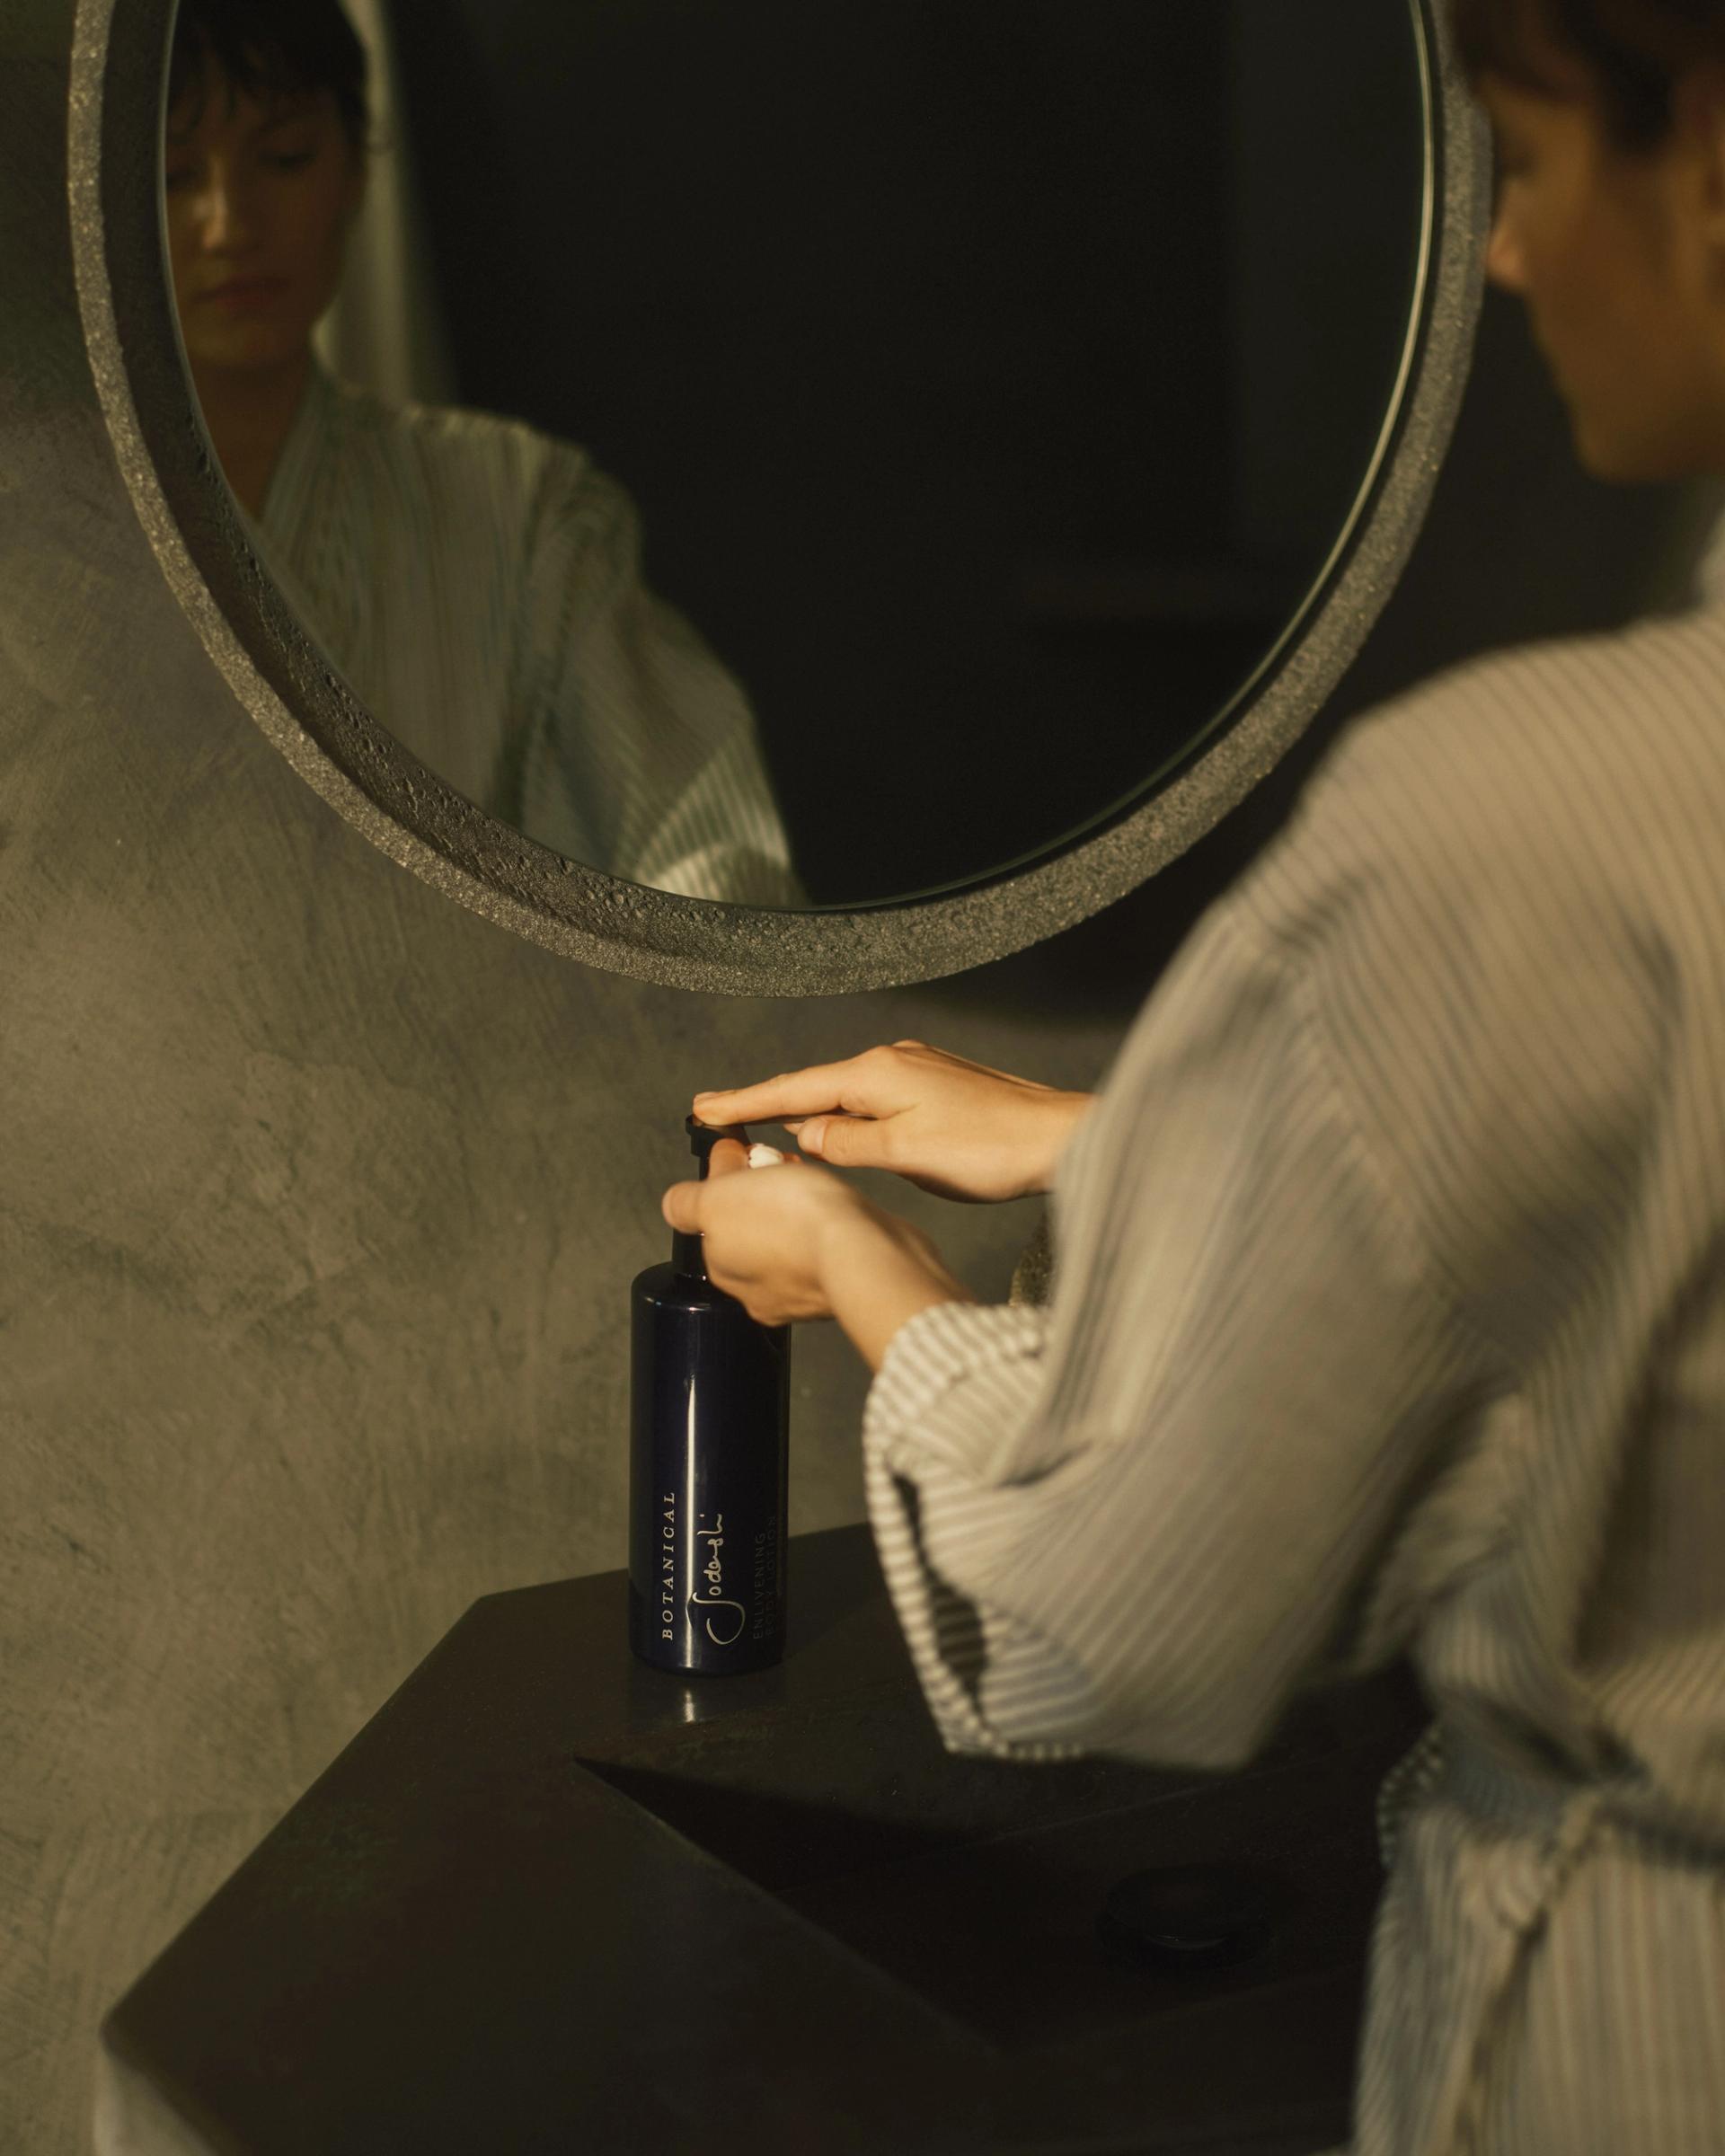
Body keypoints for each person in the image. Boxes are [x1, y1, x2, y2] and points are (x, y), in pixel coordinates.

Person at [665, 3, 1725, 2149]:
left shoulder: (1508, 834)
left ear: (1706, 155)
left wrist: (875, 1287)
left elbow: (1120, 1612)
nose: (1505, 255)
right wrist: (1103, 1137)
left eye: (1518, 162)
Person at [164, 0, 799, 905]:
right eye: (175, 175)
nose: (230, 223)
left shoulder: (520, 507)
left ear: (352, 170)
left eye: (285, 157)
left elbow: (707, 848)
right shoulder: (44, 532)